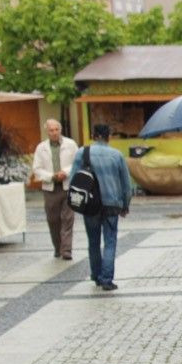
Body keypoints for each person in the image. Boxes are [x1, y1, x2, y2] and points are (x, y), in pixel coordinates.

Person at [72, 124, 132, 291]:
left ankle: (96, 275)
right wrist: (125, 204)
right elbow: (126, 184)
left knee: (93, 241)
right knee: (110, 241)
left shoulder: (82, 153)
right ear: (109, 136)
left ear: (93, 135)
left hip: (90, 205)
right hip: (112, 204)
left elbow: (73, 181)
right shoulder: (116, 155)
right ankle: (107, 279)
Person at [31, 119, 78, 260]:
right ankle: (58, 247)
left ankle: (66, 250)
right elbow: (37, 169)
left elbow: (78, 162)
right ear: (47, 132)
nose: (54, 133)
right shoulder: (41, 148)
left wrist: (65, 172)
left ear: (60, 130)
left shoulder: (71, 144)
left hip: (68, 186)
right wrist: (51, 176)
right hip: (50, 188)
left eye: (56, 129)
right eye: (51, 130)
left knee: (68, 218)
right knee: (53, 220)